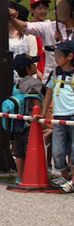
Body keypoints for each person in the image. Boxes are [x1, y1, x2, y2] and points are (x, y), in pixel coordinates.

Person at [11, 0, 74, 80]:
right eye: (56, 8)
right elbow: (24, 27)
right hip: (52, 82)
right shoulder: (49, 27)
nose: (56, 11)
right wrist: (11, 18)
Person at [43, 40, 74, 193]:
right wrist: (43, 114)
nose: (55, 57)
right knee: (58, 151)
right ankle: (66, 176)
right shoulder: (54, 73)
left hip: (73, 117)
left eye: (59, 55)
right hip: (59, 117)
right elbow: (48, 93)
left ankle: (72, 181)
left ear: (69, 56)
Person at [9, 53, 44, 184]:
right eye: (33, 64)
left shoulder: (18, 84)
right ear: (28, 68)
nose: (35, 66)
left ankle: (19, 176)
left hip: (18, 121)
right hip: (30, 121)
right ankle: (32, 174)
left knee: (19, 152)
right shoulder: (35, 83)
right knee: (30, 148)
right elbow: (36, 103)